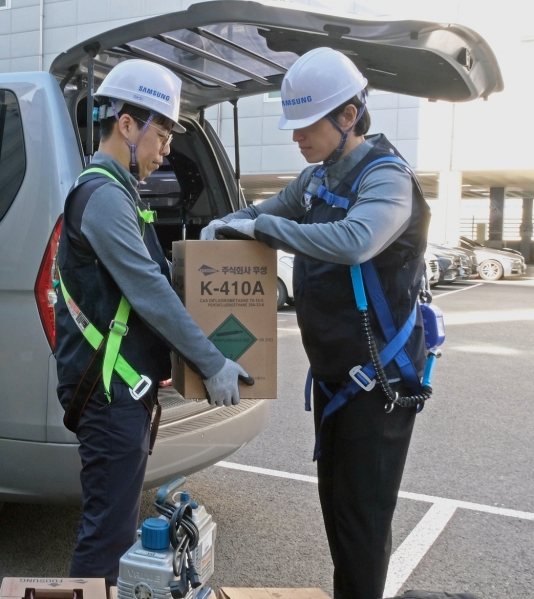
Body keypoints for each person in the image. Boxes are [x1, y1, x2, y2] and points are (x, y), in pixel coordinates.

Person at [202, 47, 431, 599]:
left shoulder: (387, 180)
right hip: (338, 378)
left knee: (362, 523)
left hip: (378, 384)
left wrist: (262, 232)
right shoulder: (315, 179)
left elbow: (356, 241)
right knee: (339, 511)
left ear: (348, 116)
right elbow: (264, 215)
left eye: (307, 124)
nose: (297, 136)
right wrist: (224, 226)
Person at [54, 58, 249, 585]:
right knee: (107, 537)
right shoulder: (102, 197)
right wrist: (212, 363)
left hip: (120, 392)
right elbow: (150, 293)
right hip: (108, 396)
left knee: (111, 529)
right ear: (126, 125)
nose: (166, 149)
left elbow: (150, 283)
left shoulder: (116, 193)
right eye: (161, 134)